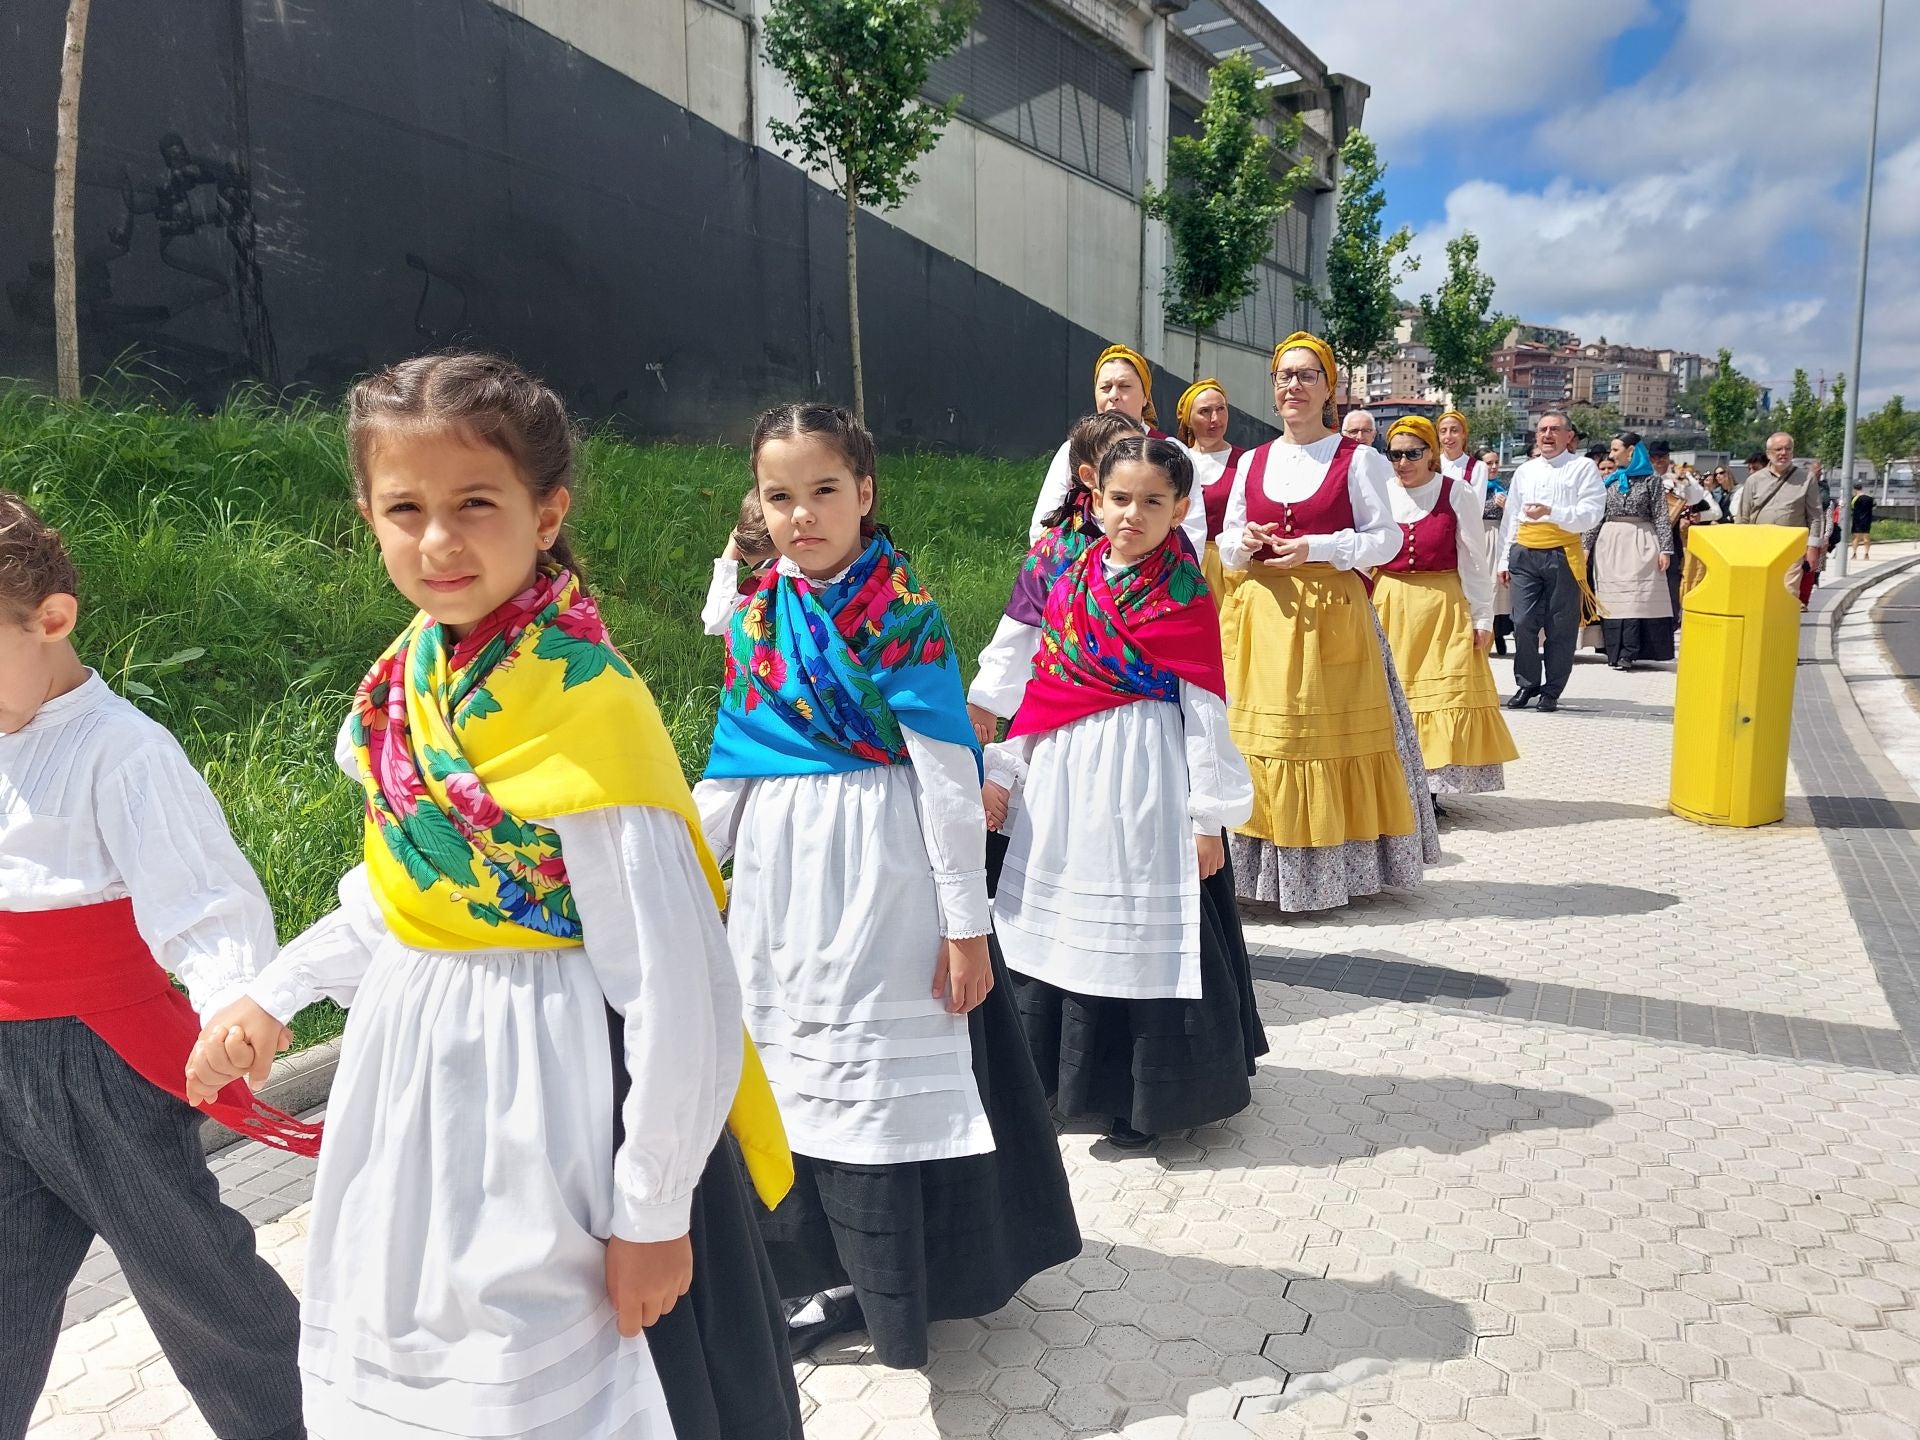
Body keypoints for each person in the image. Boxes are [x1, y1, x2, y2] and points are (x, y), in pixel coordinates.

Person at [188, 354, 805, 1440]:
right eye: (405, 508)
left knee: (544, 1380)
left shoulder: (583, 704)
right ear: (368, 518)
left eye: (476, 503)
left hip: (550, 1089)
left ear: (546, 508)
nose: (439, 541)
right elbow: (404, 891)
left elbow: (678, 986)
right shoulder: (404, 683)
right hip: (408, 1083)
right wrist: (277, 993)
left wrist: (653, 1211)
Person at [697, 403, 1080, 1369]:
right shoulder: (754, 621)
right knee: (785, 1075)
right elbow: (730, 771)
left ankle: (895, 1285)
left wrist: (965, 929)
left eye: (825, 490)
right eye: (780, 495)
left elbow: (951, 784)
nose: (803, 515)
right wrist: (685, 883)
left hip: (884, 878)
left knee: (872, 1079)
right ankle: (799, 1276)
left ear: (865, 494)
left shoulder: (904, 619)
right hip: (781, 889)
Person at [0, 492, 315, 1440]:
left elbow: (205, 898)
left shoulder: (124, 752)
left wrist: (232, 1000)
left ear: (51, 620)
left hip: (95, 1066)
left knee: (198, 1287)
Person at [981, 435, 1262, 1151]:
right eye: (1119, 499)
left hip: (1144, 768)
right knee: (1054, 916)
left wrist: (1209, 818)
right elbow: (1037, 682)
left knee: (1138, 920)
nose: (1132, 514)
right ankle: (1047, 1084)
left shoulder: (1183, 593)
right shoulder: (1064, 574)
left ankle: (1139, 1099)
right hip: (1063, 771)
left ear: (1181, 508)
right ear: (1093, 496)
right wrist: (1002, 769)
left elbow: (1205, 709)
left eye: (1152, 502)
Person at [1214, 331, 1438, 910]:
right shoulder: (1252, 461)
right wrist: (1247, 540)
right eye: (1284, 376)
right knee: (1259, 739)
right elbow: (1227, 539)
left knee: (1319, 739)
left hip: (1331, 619)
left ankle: (1329, 872)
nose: (1293, 385)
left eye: (1306, 375)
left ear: (1328, 386)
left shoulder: (1357, 459)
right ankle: (1255, 871)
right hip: (1264, 620)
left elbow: (1385, 540)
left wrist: (1316, 547)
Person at [969, 411, 1143, 742]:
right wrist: (986, 701)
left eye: (1140, 450)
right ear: (1090, 476)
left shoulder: (1169, 543)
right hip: (1068, 713)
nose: (1137, 463)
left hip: (1147, 714)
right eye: (1123, 453)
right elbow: (1022, 629)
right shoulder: (1059, 551)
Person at [1373, 418, 1518, 802]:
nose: (1403, 462)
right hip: (1389, 603)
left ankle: (1433, 791)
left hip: (1443, 606)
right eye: (1395, 454)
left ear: (1431, 454)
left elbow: (1473, 560)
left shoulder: (1456, 493)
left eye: (1413, 453)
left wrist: (1483, 615)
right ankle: (1400, 789)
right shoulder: (1381, 492)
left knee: (1443, 696)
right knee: (1394, 696)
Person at [1027, 345, 1204, 553]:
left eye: (1124, 386)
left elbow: (1193, 528)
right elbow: (1044, 521)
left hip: (1154, 574)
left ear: (1146, 396)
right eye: (1105, 387)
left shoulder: (1171, 449)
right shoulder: (1073, 449)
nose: (1114, 395)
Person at [1498, 411, 1606, 712]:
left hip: (1561, 551)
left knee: (1560, 627)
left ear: (1568, 436)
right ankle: (1527, 682)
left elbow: (1592, 513)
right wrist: (1503, 560)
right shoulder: (1525, 470)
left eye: (1554, 429)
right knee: (1522, 622)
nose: (1547, 435)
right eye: (1542, 429)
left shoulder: (1582, 468)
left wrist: (1552, 511)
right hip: (1525, 550)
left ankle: (1552, 690)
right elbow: (1511, 518)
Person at [1585, 433, 1675, 671]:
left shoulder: (1651, 480)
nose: (1611, 455)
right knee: (1613, 598)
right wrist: (1586, 546)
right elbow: (1597, 515)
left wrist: (1665, 549)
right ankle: (1612, 651)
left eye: (1616, 450)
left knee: (1636, 598)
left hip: (1640, 539)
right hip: (1610, 541)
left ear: (1631, 451)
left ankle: (1630, 651)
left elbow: (1660, 515)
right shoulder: (1610, 481)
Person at [1733, 431, 1826, 605]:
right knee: (1758, 593)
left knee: (1787, 593)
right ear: (1769, 454)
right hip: (1758, 545)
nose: (1783, 453)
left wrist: (1813, 548)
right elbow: (1743, 517)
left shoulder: (1807, 478)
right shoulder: (1754, 480)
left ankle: (1782, 630)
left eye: (1787, 449)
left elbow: (1816, 516)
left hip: (1791, 547)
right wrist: (1741, 549)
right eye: (1778, 449)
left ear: (1793, 453)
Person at [1176, 377, 1248, 592]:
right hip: (1182, 561)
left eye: (1221, 409)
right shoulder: (1177, 459)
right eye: (1205, 411)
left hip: (1228, 568)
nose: (1215, 418)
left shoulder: (1245, 461)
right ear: (1188, 418)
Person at [701, 488, 777, 635]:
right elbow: (716, 622)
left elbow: (716, 621)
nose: (765, 582)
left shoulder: (807, 585)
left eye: (774, 568)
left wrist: (729, 554)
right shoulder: (757, 590)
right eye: (758, 576)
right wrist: (732, 548)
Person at [1478, 448, 1514, 655]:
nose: (1493, 467)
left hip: (1497, 536)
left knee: (1498, 588)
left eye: (1495, 463)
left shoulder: (1502, 489)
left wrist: (1507, 506)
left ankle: (1497, 633)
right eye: (1488, 463)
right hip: (1480, 536)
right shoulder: (1473, 488)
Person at [1851, 483, 1875, 559]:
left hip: (1857, 520)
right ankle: (1866, 554)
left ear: (1854, 489)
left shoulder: (1854, 498)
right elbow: (1874, 507)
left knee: (1856, 538)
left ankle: (1854, 554)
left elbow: (1851, 508)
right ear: (1861, 488)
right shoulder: (1870, 498)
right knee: (1866, 538)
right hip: (1867, 520)